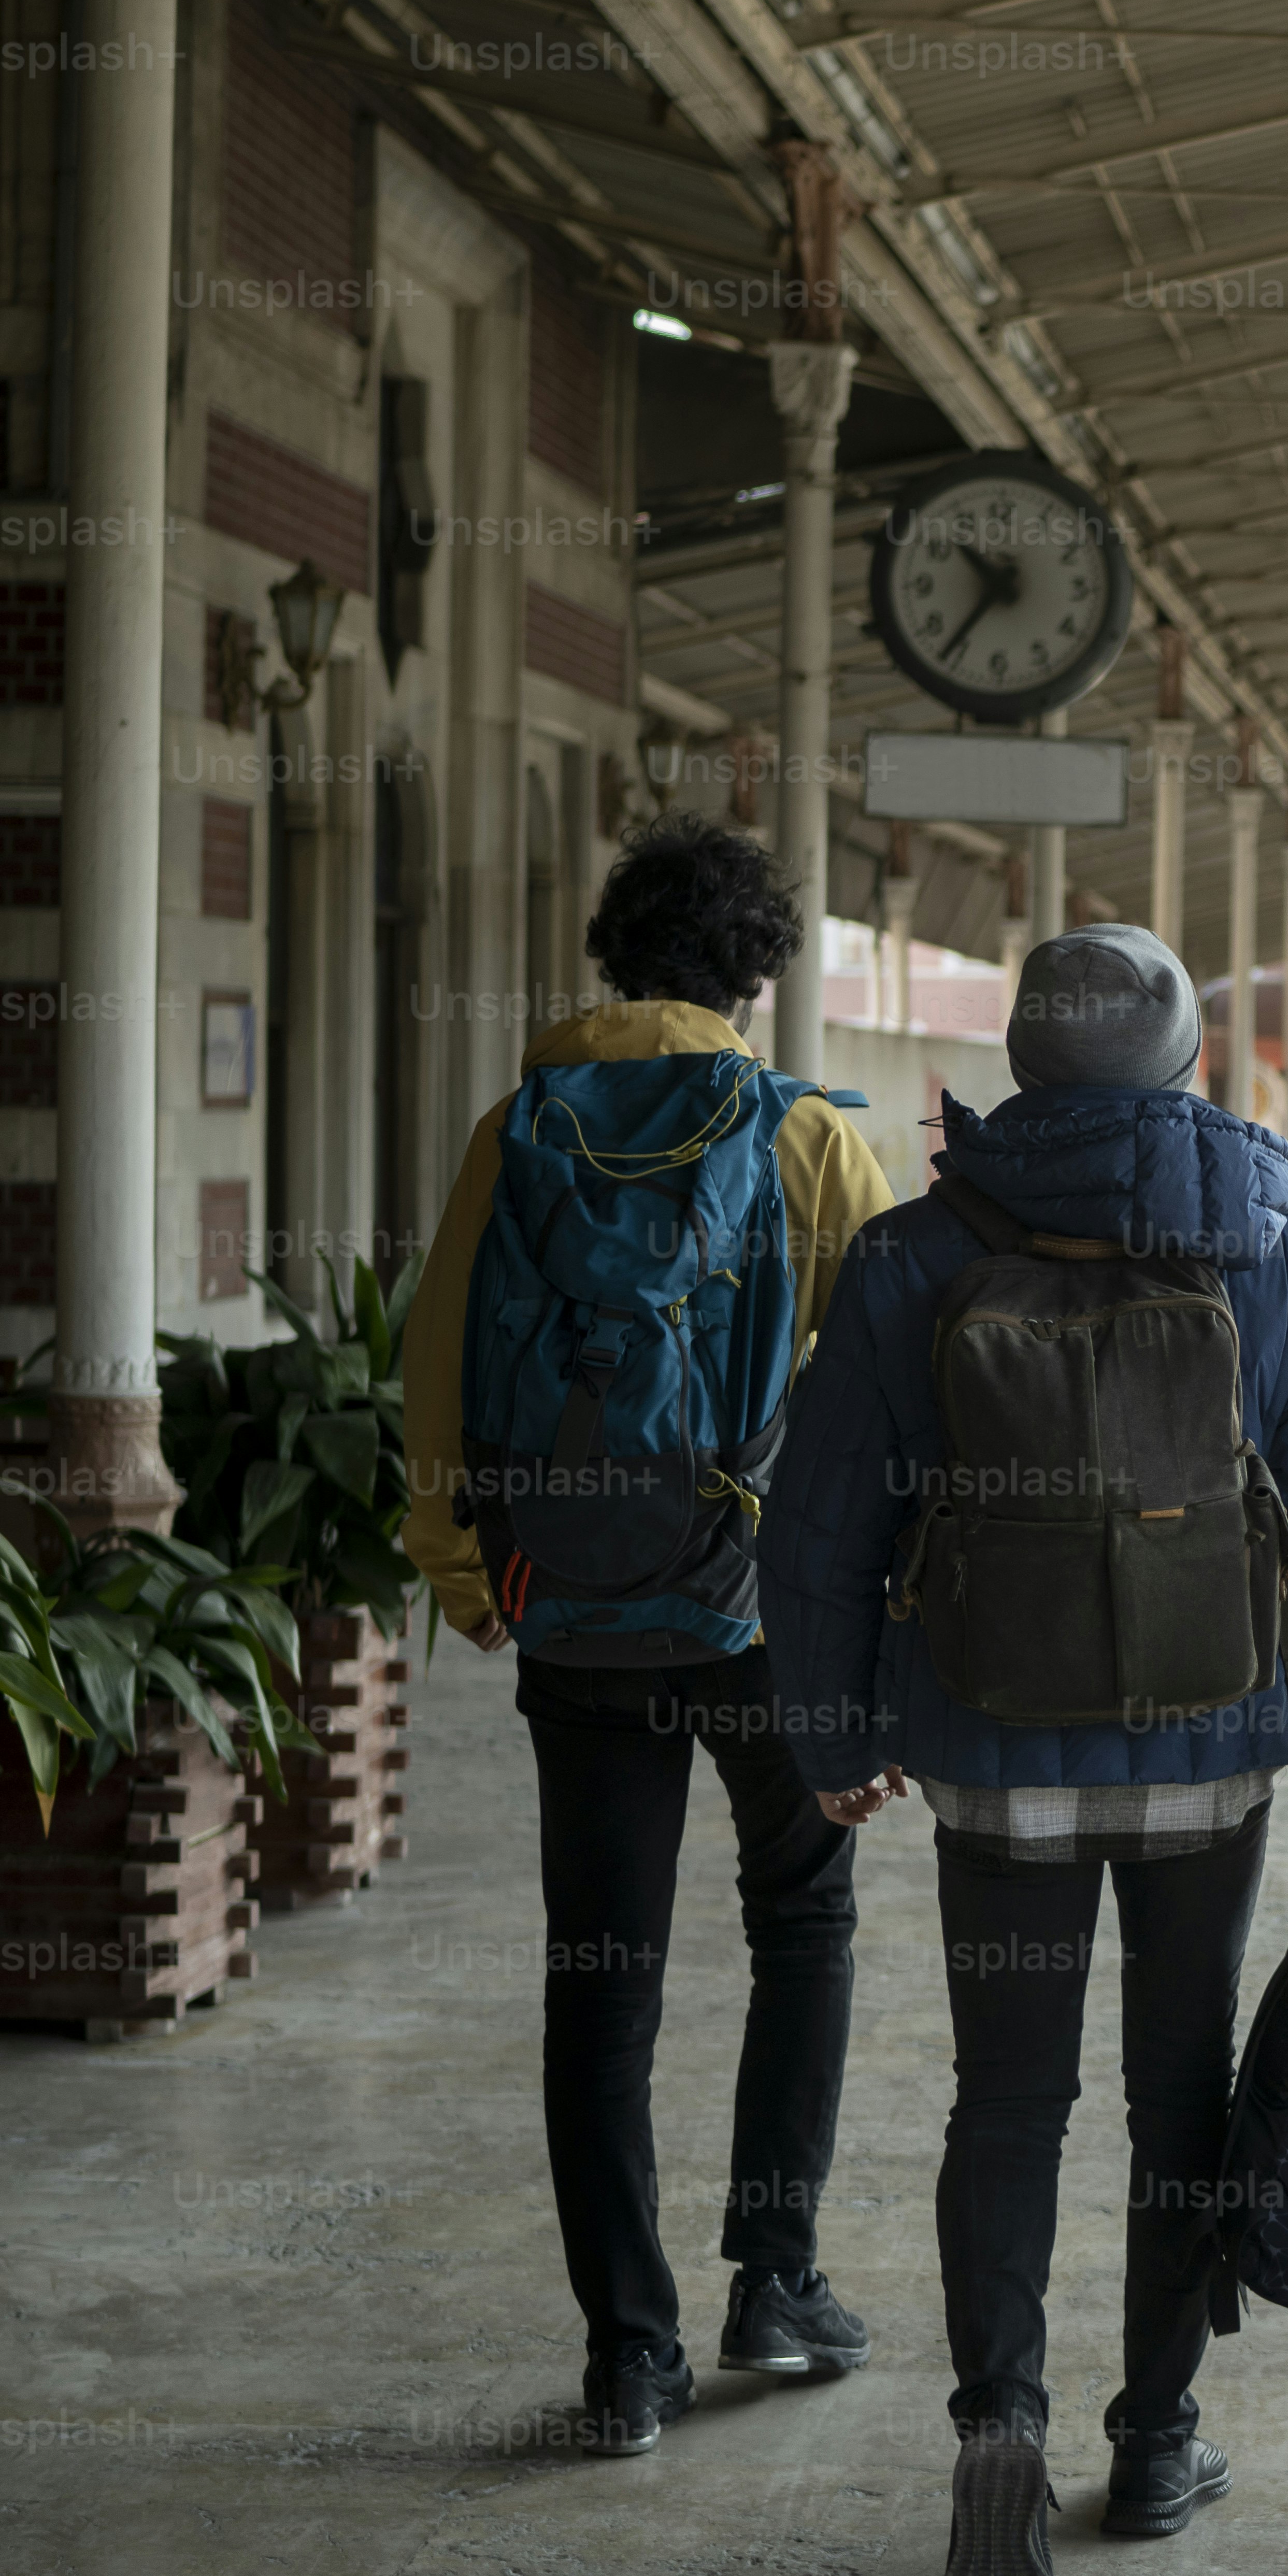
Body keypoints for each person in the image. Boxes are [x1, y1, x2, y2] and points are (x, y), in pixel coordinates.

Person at [756, 922, 1288, 2576]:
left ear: (1023, 1062)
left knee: (1007, 2098)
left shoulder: (913, 1250)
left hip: (993, 1750)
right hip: (1211, 1752)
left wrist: (833, 1733)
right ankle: (1159, 2433)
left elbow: (822, 1518)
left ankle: (1000, 2421)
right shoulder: (1277, 1245)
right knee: (1180, 2090)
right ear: (1189, 1063)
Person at [402, 817, 894, 2458]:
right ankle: (776, 2278)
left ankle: (629, 2355)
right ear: (754, 974)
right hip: (761, 1617)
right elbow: (894, 1390)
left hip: (575, 1609)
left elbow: (436, 1359)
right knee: (801, 1924)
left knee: (601, 1982)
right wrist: (873, 1624)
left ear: (615, 958)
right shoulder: (804, 1134)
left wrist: (466, 1574)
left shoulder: (516, 1128)